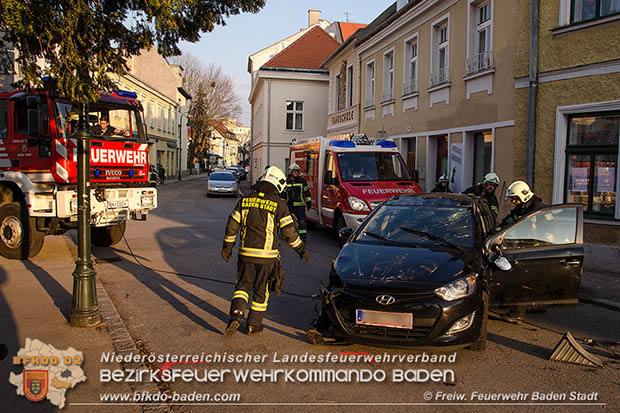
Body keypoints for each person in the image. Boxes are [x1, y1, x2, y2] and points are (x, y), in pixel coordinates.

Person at [221, 166, 309, 336]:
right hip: (267, 257)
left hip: (245, 254)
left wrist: (227, 248)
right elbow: (289, 233)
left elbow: (232, 226)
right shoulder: (279, 205)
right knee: (261, 290)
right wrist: (301, 249)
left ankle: (236, 315)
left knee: (242, 286)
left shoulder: (245, 200)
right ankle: (253, 325)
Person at [497, 180, 545, 324]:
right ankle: (536, 305)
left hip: (534, 249)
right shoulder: (523, 207)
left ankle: (517, 313)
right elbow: (510, 220)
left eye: (515, 199)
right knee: (531, 280)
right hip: (527, 247)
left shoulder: (537, 209)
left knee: (520, 280)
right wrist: (497, 231)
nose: (513, 202)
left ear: (523, 196)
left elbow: (542, 230)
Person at [282, 163, 312, 242]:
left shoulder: (302, 181)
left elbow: (307, 192)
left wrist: (309, 202)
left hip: (300, 206)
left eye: (296, 171)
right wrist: (282, 205)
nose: (295, 173)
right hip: (289, 206)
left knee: (302, 222)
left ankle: (303, 238)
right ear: (290, 172)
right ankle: (289, 237)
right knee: (288, 223)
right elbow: (283, 194)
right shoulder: (286, 182)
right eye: (294, 171)